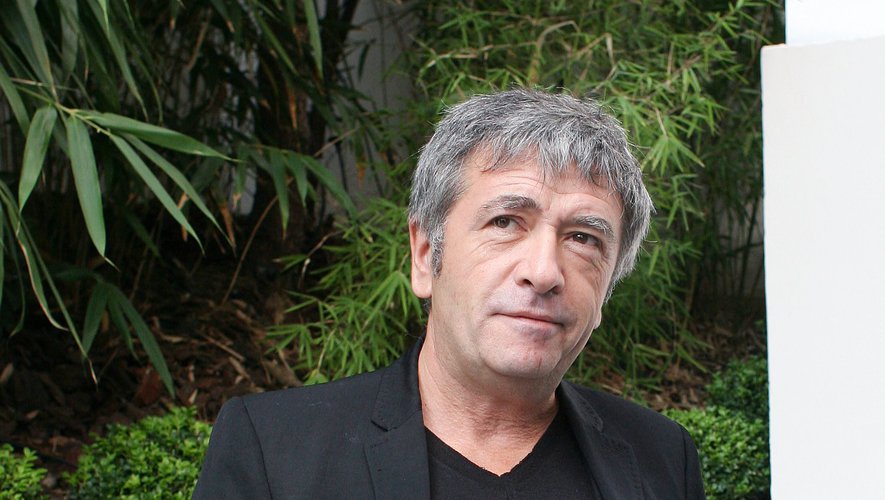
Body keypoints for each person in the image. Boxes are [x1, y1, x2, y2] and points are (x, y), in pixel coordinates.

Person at [193, 89, 705, 499]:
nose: (544, 271)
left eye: (583, 238)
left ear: (609, 284)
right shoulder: (274, 451)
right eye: (505, 221)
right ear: (424, 255)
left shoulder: (661, 459)